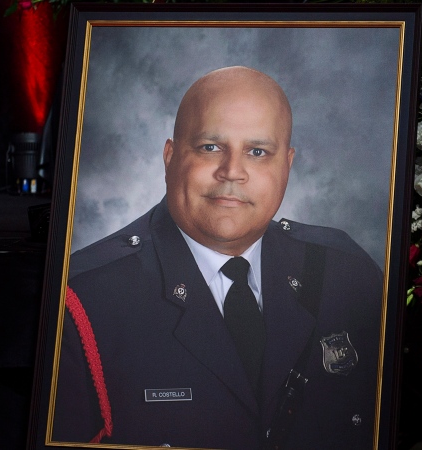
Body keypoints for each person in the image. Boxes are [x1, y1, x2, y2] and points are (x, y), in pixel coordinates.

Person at [53, 66, 383, 449]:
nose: (232, 172)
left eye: (257, 152)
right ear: (170, 156)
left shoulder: (346, 273)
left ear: (287, 166)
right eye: (210, 147)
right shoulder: (86, 299)